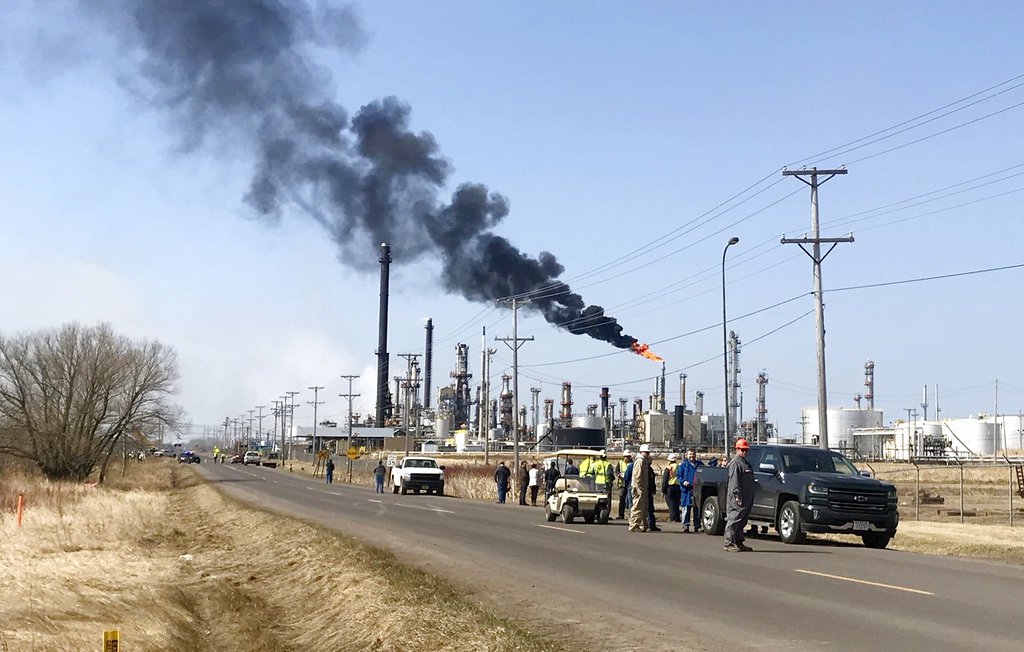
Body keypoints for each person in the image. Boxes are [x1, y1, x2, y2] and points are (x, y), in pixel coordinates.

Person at [723, 438, 755, 552]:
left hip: (746, 497)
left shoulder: (745, 463)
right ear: (737, 449)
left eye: (746, 450)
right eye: (742, 450)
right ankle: (729, 543)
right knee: (734, 519)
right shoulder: (735, 463)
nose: (744, 452)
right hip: (737, 497)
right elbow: (734, 482)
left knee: (742, 520)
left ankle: (739, 542)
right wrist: (737, 496)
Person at [677, 449, 704, 533]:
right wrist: (683, 482)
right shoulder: (683, 465)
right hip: (686, 490)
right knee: (686, 508)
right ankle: (686, 525)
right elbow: (678, 475)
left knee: (697, 509)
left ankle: (697, 525)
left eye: (693, 454)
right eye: (690, 454)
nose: (691, 456)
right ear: (686, 455)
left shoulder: (700, 465)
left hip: (697, 490)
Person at [628, 444, 652, 532]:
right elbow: (637, 475)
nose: (647, 454)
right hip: (639, 487)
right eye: (646, 452)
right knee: (637, 507)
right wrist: (638, 488)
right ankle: (633, 525)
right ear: (641, 452)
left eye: (648, 453)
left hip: (644, 487)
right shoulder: (640, 461)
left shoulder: (644, 461)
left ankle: (643, 525)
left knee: (644, 507)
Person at [662, 453, 681, 523]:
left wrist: (663, 489)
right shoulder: (679, 466)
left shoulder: (669, 468)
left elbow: (665, 479)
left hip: (670, 487)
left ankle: (673, 518)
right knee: (676, 504)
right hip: (678, 486)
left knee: (671, 504)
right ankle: (677, 518)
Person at [617, 450, 633, 520]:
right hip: (622, 484)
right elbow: (616, 471)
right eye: (625, 457)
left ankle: (631, 515)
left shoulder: (633, 464)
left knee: (630, 500)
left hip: (630, 484)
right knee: (622, 500)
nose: (627, 458)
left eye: (628, 457)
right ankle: (621, 515)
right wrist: (619, 475)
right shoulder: (620, 463)